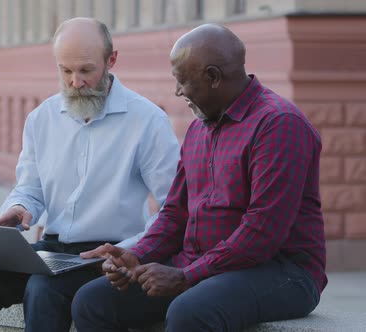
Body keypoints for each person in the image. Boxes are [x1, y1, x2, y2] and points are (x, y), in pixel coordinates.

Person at [72, 23, 327, 332]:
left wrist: (186, 276)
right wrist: (136, 255)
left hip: (283, 272)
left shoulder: (279, 125)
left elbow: (262, 233)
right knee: (91, 300)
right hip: (201, 265)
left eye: (182, 81)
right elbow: (175, 213)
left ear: (213, 77)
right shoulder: (199, 128)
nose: (178, 91)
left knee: (190, 311)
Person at [0, 17, 180, 332]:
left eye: (85, 70)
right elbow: (29, 188)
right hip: (53, 253)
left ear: (111, 60)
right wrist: (20, 208)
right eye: (65, 71)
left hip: (108, 257)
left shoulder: (148, 120)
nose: (75, 82)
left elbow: (174, 207)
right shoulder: (41, 118)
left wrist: (131, 250)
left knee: (42, 290)